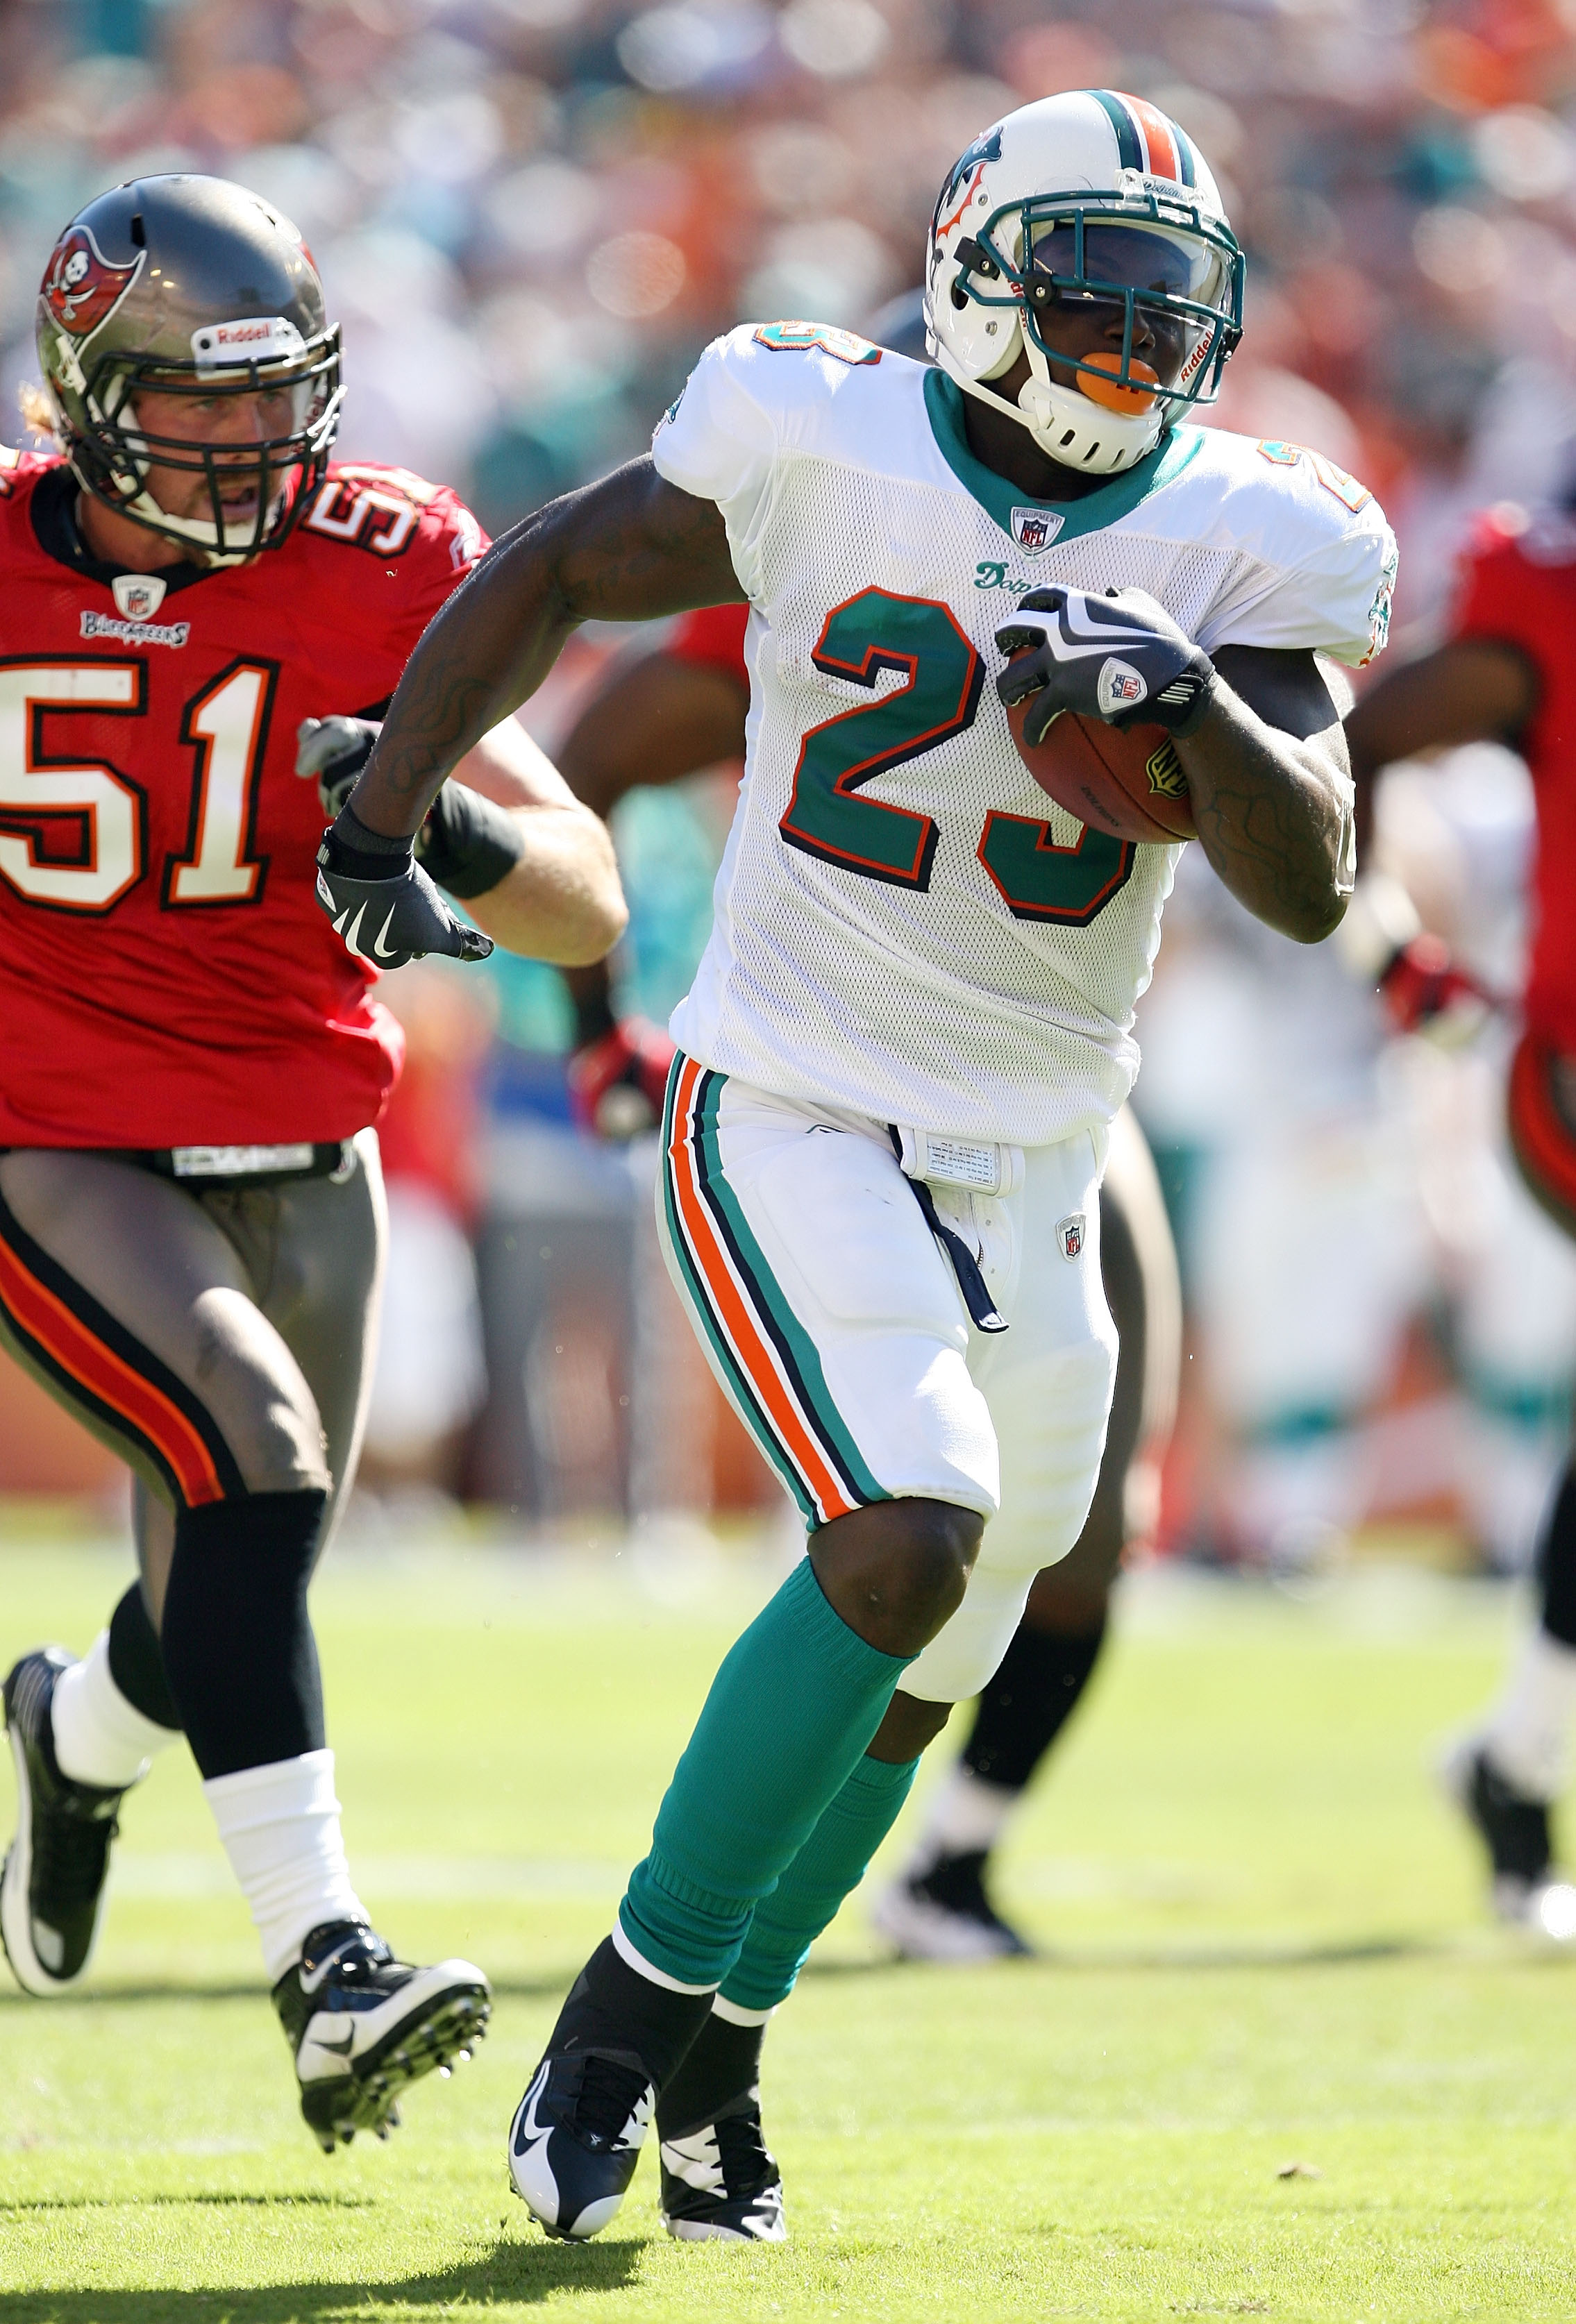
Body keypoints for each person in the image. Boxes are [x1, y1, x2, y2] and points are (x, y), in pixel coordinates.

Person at [322, 90, 1391, 2241]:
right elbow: (551, 571)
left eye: (1160, 318)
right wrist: (382, 811)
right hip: (792, 1093)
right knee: (903, 1525)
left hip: (1036, 1149)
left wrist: (1193, 702)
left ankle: (729, 2029)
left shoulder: (1257, 534)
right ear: (977, 290)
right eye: (1084, 307)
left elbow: (1307, 873)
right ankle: (619, 2013)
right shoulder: (820, 432)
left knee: (945, 1642)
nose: (1125, 354)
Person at [0, 174, 626, 2150]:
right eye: (197, 404)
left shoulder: (386, 554)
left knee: (225, 1602)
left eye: (278, 401)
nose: (250, 446)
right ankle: (331, 1963)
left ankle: (63, 1731)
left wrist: (435, 825)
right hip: (49, 1116)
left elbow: (587, 898)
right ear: (86, 395)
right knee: (249, 1446)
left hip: (303, 1131)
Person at [556, 593, 1182, 1962]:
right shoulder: (832, 550)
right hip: (829, 1087)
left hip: (1052, 1097)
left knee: (1079, 1524)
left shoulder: (1172, 559)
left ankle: (947, 1861)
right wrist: (595, 1027)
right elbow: (580, 767)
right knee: (904, 1513)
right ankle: (706, 1941)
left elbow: (1314, 842)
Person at [1345, 491, 1576, 1935]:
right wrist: (1385, 940)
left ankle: (1514, 1758)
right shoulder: (1542, 598)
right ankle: (1516, 1765)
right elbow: (1353, 743)